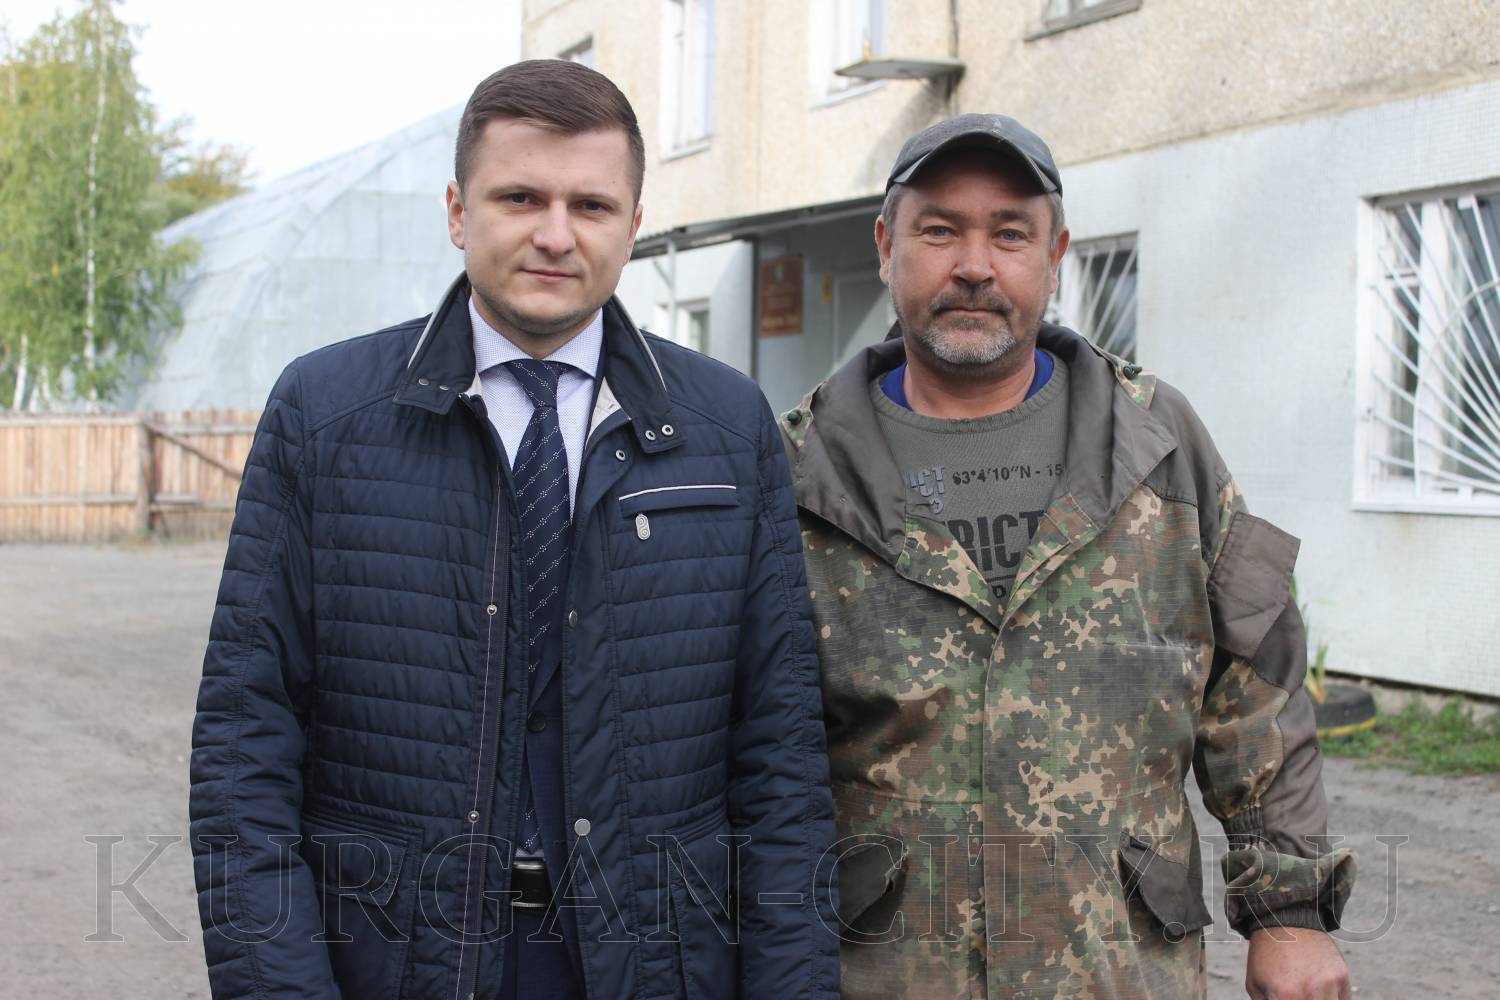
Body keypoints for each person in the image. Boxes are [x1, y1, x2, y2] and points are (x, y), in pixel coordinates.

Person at [190, 60, 839, 1000]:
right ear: (459, 212)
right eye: (521, 197)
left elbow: (781, 761)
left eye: (591, 205)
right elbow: (243, 748)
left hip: (654, 963)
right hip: (399, 962)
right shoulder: (325, 417)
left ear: (634, 226)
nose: (555, 235)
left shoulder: (728, 429)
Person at [781, 113, 1356, 999]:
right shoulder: (801, 471)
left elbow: (1254, 690)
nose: (975, 266)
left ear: (1055, 256)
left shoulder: (1156, 443)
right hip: (888, 971)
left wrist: (1291, 915)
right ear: (887, 245)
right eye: (941, 230)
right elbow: (746, 744)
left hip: (1118, 966)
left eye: (1011, 233)